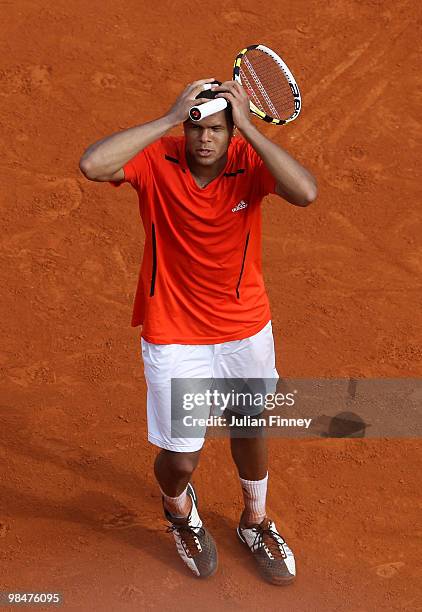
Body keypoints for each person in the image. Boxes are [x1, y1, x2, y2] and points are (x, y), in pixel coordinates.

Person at [79, 78, 317, 585]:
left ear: (230, 133)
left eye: (216, 129)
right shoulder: (157, 158)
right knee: (182, 459)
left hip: (245, 329)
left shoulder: (248, 162)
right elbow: (92, 165)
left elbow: (306, 192)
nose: (203, 139)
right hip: (174, 334)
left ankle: (254, 521)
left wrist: (250, 129)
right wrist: (166, 118)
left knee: (250, 428)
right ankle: (178, 510)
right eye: (195, 128)